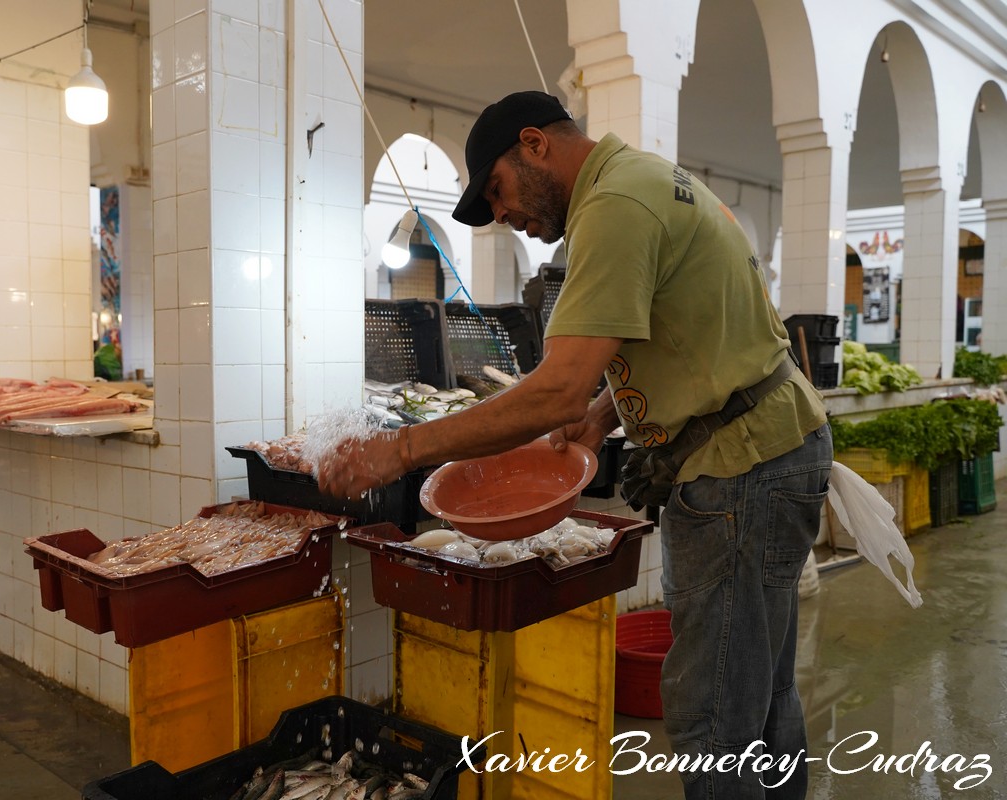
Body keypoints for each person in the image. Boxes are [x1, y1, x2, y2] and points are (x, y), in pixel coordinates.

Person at [318, 92, 831, 799]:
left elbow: (552, 389)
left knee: (715, 720)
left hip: (741, 471)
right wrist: (602, 415)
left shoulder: (614, 207)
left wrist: (402, 450)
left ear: (535, 145)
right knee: (761, 702)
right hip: (769, 451)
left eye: (495, 191)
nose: (501, 215)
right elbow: (680, 332)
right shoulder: (644, 180)